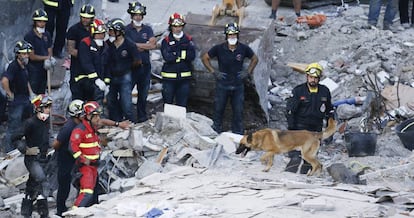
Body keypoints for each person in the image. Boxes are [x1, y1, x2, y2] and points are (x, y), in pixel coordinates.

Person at [52, 99, 129, 216]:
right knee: (73, 187)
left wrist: (118, 124)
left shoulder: (90, 125)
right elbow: (64, 146)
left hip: (90, 164)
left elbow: (101, 121)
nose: (98, 119)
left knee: (91, 188)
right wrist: (82, 159)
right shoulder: (72, 128)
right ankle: (66, 212)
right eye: (95, 116)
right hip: (70, 160)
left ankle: (91, 209)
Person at [201, 22, 258, 135]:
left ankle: (237, 133)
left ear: (237, 35)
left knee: (238, 111)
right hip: (222, 85)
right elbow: (205, 58)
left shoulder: (243, 48)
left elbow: (255, 59)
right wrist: (214, 71)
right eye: (230, 35)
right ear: (226, 36)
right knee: (218, 110)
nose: (232, 37)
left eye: (234, 35)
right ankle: (215, 132)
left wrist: (248, 72)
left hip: (238, 86)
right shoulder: (219, 48)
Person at [285, 62, 334, 174]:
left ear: (319, 78)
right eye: (311, 77)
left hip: (315, 129)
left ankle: (303, 177)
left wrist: (330, 130)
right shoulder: (298, 90)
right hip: (299, 129)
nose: (313, 80)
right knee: (295, 157)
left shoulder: (324, 91)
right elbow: (290, 111)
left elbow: (329, 111)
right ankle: (288, 176)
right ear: (307, 76)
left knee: (309, 157)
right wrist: (291, 129)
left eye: (315, 78)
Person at [12, 94, 52, 218]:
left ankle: (26, 211)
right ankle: (43, 213)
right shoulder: (30, 122)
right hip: (32, 160)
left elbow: (46, 136)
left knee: (32, 184)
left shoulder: (46, 121)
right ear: (39, 108)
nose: (49, 110)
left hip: (43, 158)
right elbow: (15, 138)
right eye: (46, 107)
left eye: (49, 107)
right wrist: (26, 150)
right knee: (43, 182)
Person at [125, 1, 156, 122]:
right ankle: (128, 118)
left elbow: (153, 45)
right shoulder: (126, 29)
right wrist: (144, 45)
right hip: (131, 67)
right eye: (135, 14)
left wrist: (135, 45)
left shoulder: (148, 29)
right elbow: (126, 46)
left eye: (140, 14)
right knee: (126, 94)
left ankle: (142, 117)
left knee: (143, 95)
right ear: (131, 15)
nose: (138, 17)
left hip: (145, 67)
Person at [1, 40, 34, 153]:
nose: (26, 56)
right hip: (17, 102)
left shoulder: (24, 66)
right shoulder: (13, 66)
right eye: (24, 54)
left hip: (25, 99)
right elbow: (4, 81)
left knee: (26, 124)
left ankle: (22, 147)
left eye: (27, 53)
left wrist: (31, 94)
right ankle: (9, 152)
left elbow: (26, 81)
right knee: (13, 127)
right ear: (18, 54)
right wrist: (10, 94)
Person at [106, 18, 141, 122]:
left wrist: (127, 67)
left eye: (112, 31)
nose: (109, 33)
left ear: (119, 32)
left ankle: (130, 122)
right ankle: (116, 122)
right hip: (112, 77)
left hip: (125, 77)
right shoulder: (108, 44)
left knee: (126, 102)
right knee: (111, 100)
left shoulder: (129, 44)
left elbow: (138, 61)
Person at [160, 13, 196, 107]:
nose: (177, 28)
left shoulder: (188, 40)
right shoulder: (166, 41)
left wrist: (176, 54)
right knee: (168, 105)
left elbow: (192, 56)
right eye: (175, 26)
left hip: (184, 79)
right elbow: (167, 57)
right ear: (171, 26)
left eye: (179, 26)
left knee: (182, 106)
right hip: (169, 79)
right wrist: (183, 54)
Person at [74, 18, 108, 106]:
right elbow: (86, 64)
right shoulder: (85, 43)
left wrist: (107, 82)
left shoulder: (105, 46)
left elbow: (107, 65)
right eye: (98, 34)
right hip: (83, 78)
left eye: (102, 34)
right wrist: (96, 80)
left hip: (98, 80)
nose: (101, 36)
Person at [67, 4, 95, 98]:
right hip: (77, 68)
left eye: (87, 18)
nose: (85, 20)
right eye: (83, 17)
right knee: (77, 95)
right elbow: (71, 50)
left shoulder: (95, 30)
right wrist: (86, 57)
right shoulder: (73, 30)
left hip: (92, 68)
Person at [24, 8, 54, 95]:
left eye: (44, 22)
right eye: (39, 21)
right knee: (33, 92)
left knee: (42, 92)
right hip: (33, 69)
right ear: (35, 22)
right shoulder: (29, 36)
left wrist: (50, 59)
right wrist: (47, 58)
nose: (42, 24)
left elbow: (49, 49)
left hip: (44, 69)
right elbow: (32, 56)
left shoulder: (47, 35)